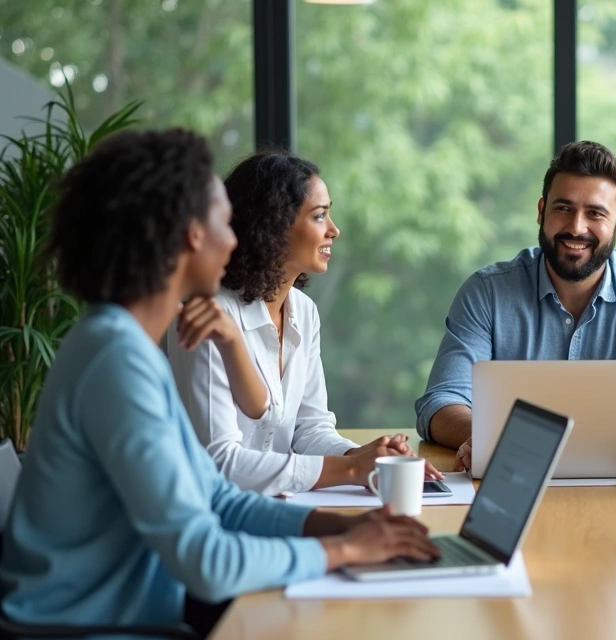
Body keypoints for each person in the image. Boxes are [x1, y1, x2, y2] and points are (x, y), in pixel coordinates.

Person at [0, 129, 439, 633]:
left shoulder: (122, 345)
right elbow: (206, 562)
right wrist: (343, 549)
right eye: (224, 221)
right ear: (192, 234)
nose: (236, 238)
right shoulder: (115, 363)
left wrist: (345, 525)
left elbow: (217, 496)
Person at [415, 141, 616, 469]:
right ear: (541, 211)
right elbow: (441, 403)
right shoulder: (487, 292)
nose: (576, 227)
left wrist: (604, 443)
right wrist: (493, 438)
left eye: (595, 213)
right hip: (513, 476)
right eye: (563, 208)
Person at [167, 151, 440, 496]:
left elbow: (309, 428)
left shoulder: (304, 312)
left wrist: (369, 457)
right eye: (319, 216)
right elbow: (219, 463)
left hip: (275, 505)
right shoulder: (210, 319)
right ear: (273, 225)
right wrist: (352, 468)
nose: (334, 230)